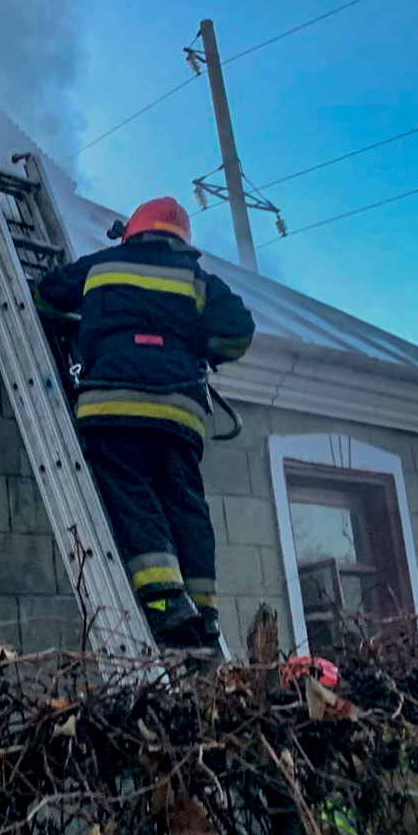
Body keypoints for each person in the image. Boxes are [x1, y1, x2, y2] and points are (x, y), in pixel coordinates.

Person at [33, 196, 254, 654]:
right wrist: (198, 349)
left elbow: (46, 292)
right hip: (179, 412)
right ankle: (204, 610)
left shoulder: (103, 265)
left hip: (113, 402)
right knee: (185, 504)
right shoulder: (197, 280)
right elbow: (238, 333)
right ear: (181, 240)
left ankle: (165, 601)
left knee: (131, 490)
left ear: (131, 231)